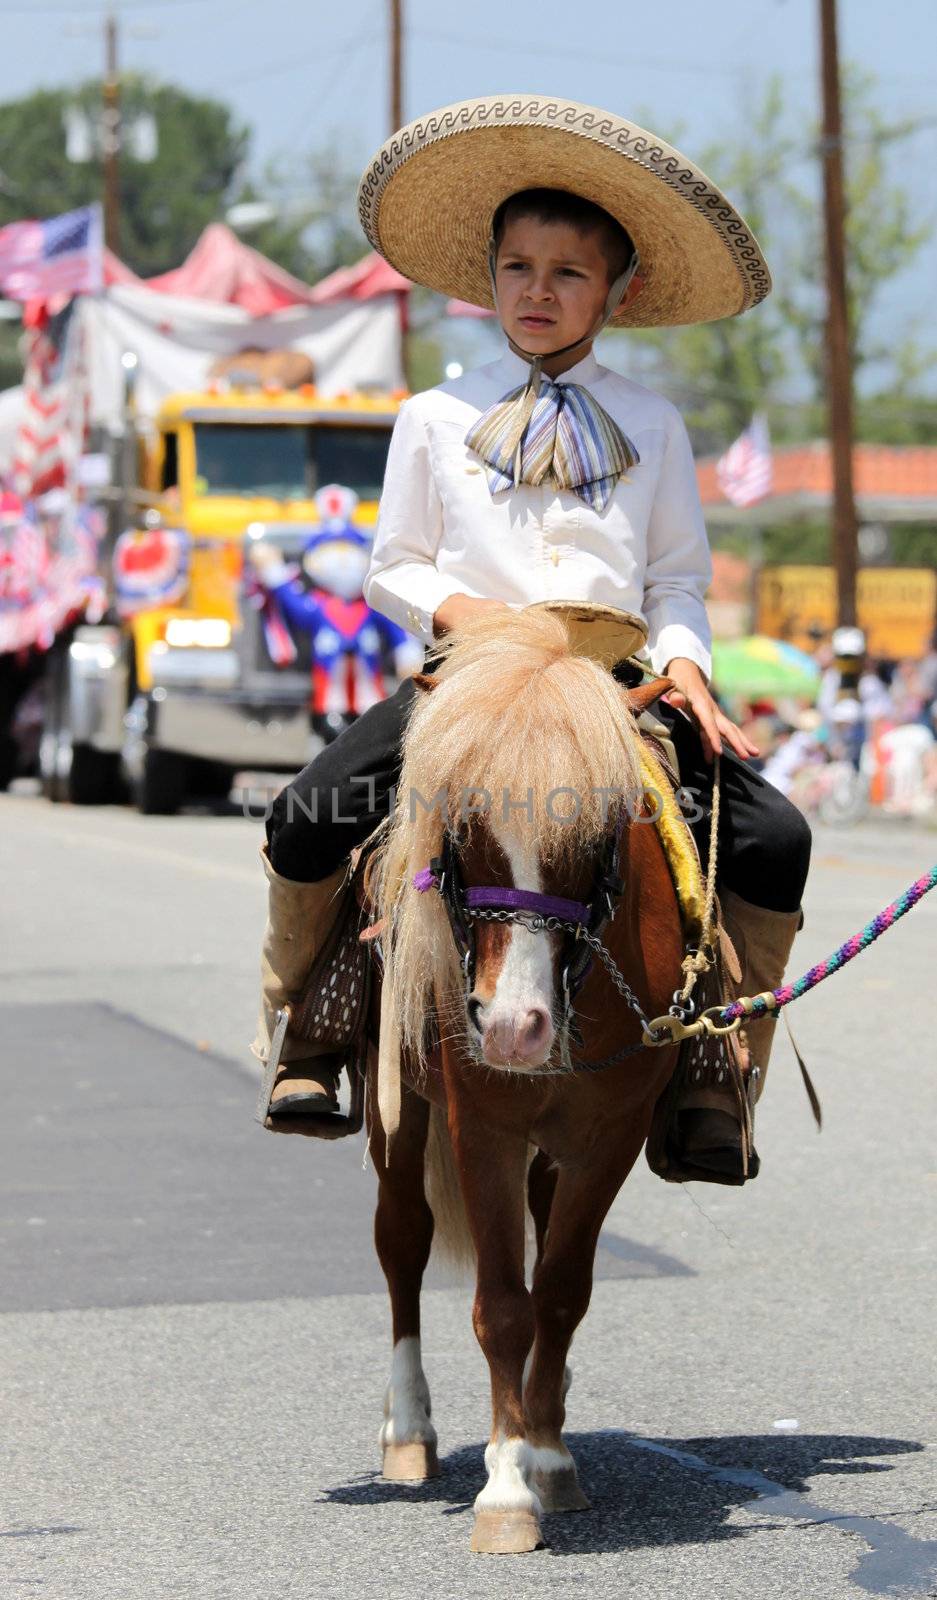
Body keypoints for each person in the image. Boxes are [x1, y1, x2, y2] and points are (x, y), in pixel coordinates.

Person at [252, 95, 811, 1183]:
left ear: (618, 290)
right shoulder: (433, 417)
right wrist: (467, 619)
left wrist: (687, 664)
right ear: (487, 280)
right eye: (518, 268)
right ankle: (313, 1025)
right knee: (307, 815)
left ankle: (714, 1068)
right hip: (472, 685)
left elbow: (677, 578)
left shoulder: (653, 422)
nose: (538, 292)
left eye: (567, 273)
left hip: (614, 694)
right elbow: (394, 568)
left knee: (775, 839)